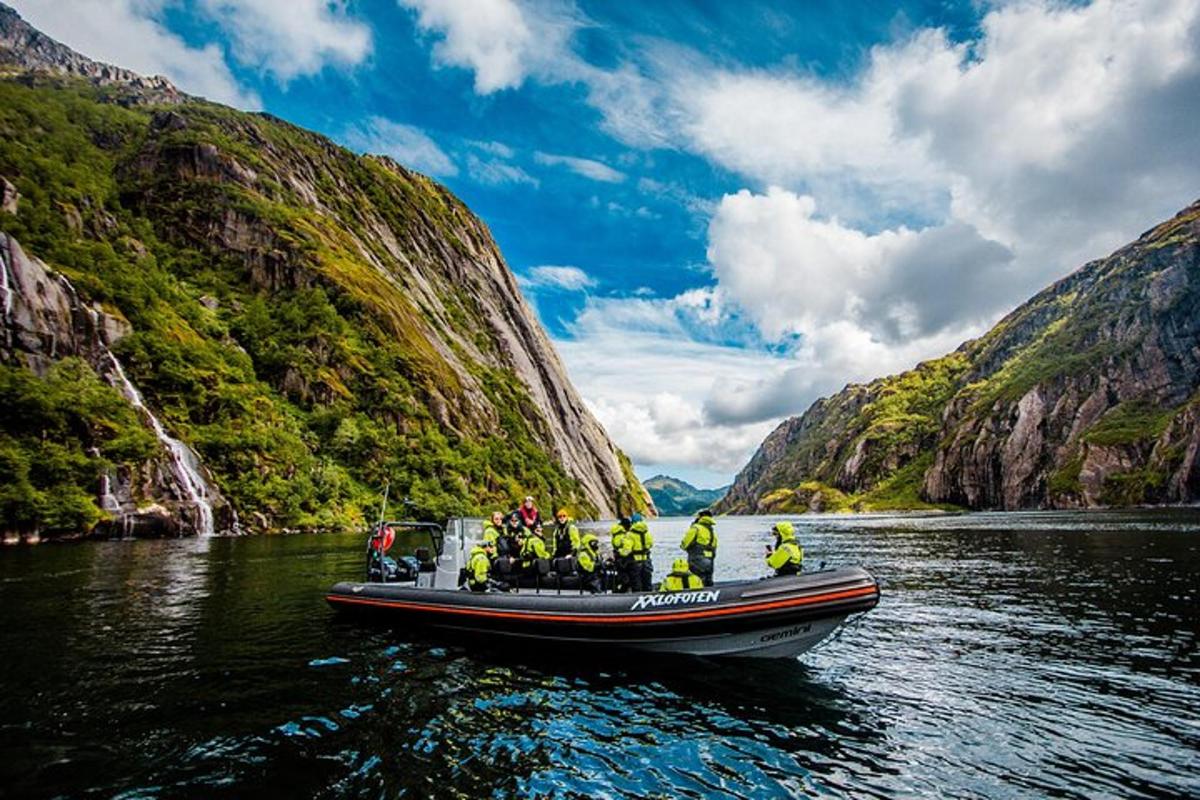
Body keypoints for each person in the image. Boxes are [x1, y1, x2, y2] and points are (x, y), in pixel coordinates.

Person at [680, 509, 718, 586]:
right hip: (710, 560)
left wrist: (684, 547)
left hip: (697, 559)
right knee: (708, 580)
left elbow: (685, 543)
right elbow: (715, 545)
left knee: (697, 580)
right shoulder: (711, 531)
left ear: (700, 517)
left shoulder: (696, 528)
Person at [628, 513, 654, 591]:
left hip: (635, 561)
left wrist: (620, 552)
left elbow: (627, 549)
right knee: (647, 579)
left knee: (636, 581)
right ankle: (648, 594)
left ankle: (636, 596)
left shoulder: (630, 534)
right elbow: (650, 544)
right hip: (646, 559)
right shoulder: (647, 533)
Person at [609, 516, 634, 593]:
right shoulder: (624, 535)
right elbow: (627, 548)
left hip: (618, 558)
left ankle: (619, 590)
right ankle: (624, 592)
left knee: (622, 575)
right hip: (624, 559)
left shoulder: (616, 534)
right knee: (627, 577)